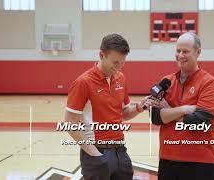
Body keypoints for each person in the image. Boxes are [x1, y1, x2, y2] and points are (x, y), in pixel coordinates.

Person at [64, 34, 159, 180]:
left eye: (122, 63)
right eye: (115, 62)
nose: (119, 67)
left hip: (120, 150)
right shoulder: (83, 82)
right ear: (102, 55)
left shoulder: (121, 78)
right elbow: (70, 124)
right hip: (96, 151)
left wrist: (140, 106)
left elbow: (124, 113)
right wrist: (94, 154)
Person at [151, 32, 214, 180]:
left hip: (201, 161)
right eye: (178, 51)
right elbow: (155, 117)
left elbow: (200, 120)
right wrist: (183, 109)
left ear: (198, 52)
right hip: (168, 159)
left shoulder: (209, 82)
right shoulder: (166, 81)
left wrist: (168, 113)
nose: (180, 55)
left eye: (186, 51)